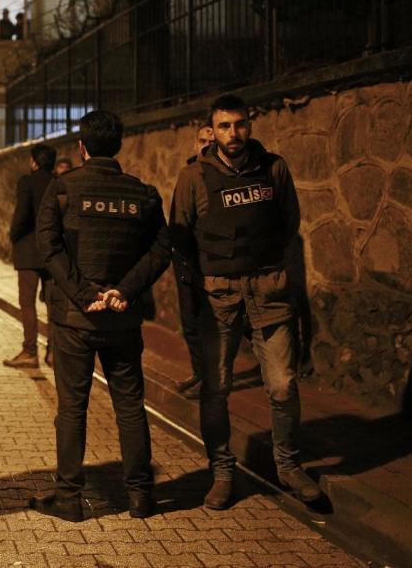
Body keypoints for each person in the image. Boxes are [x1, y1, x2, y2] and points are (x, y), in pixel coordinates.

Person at [170, 94, 321, 510]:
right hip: (218, 298)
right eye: (224, 126)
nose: (233, 134)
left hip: (268, 292)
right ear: (212, 129)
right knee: (216, 390)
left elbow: (289, 223)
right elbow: (179, 239)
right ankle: (222, 472)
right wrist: (194, 299)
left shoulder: (274, 168)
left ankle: (288, 466)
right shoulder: (194, 178)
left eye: (239, 125)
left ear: (250, 125)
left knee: (283, 384)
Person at [30, 110, 171, 521]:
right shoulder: (142, 195)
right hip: (122, 319)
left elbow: (48, 246)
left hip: (75, 321)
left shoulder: (63, 189)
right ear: (120, 145)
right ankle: (141, 496)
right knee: (130, 406)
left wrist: (80, 293)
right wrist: (124, 290)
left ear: (81, 146)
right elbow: (162, 249)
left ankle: (69, 499)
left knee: (72, 408)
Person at [172, 124, 215, 399]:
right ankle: (200, 373)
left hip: (209, 262)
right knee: (190, 320)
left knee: (208, 322)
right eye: (201, 140)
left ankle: (210, 378)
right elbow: (178, 218)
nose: (205, 146)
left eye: (210, 141)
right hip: (187, 261)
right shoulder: (188, 173)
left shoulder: (219, 175)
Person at [5, 143, 56, 369]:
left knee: (27, 303)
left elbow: (22, 215)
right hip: (53, 252)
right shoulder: (59, 183)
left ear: (34, 162)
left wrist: (13, 236)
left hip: (28, 250)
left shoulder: (27, 182)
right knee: (54, 304)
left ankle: (30, 351)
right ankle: (53, 352)